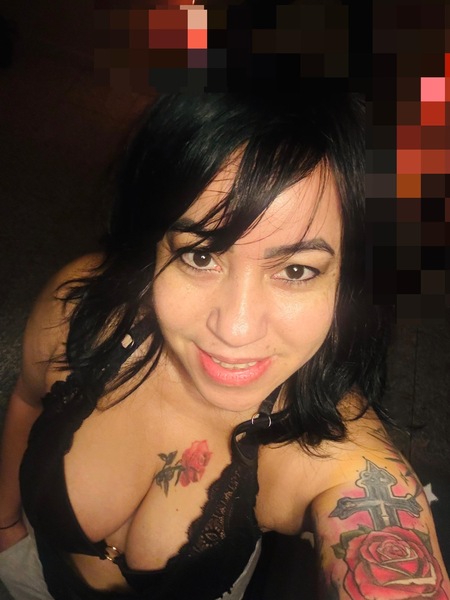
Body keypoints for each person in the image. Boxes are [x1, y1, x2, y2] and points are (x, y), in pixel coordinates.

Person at [0, 93, 448, 600]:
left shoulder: (334, 461)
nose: (235, 329)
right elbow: (27, 399)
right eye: (200, 256)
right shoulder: (80, 309)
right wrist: (5, 523)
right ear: (155, 243)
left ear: (348, 280)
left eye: (296, 270)